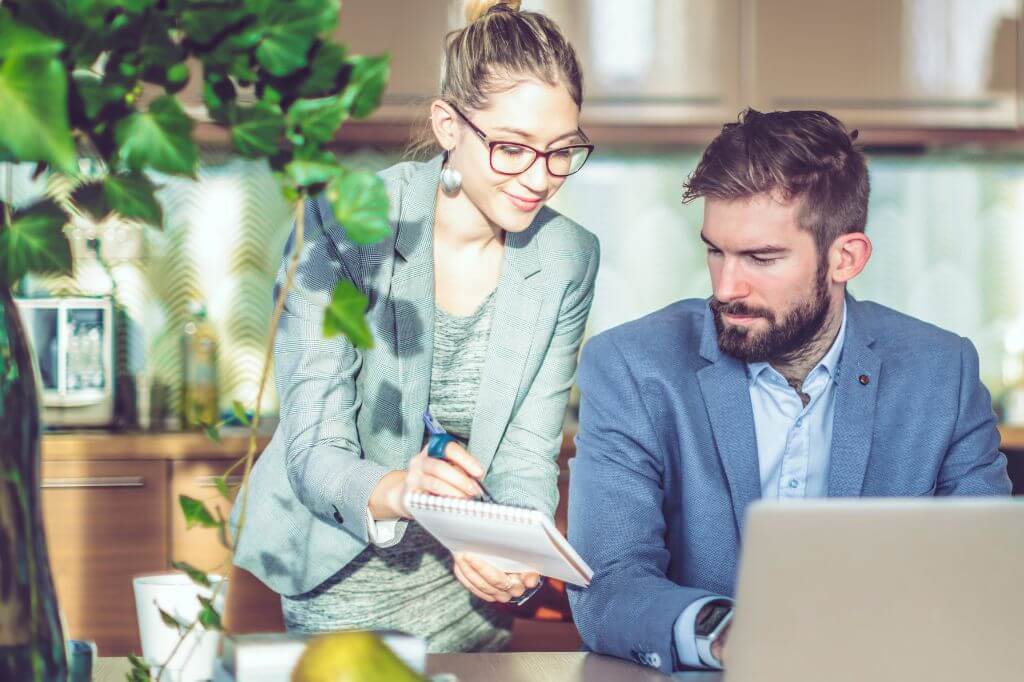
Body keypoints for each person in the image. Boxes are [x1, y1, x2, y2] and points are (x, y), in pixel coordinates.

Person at [566, 109, 1011, 673]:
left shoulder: (941, 373)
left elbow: (987, 576)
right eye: (716, 250)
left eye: (762, 258)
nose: (727, 287)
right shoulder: (631, 367)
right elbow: (607, 584)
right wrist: (726, 632)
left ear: (845, 258)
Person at [232, 0, 599, 652]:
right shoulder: (341, 226)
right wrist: (402, 489)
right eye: (513, 148)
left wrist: (512, 556)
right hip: (336, 575)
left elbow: (526, 455)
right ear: (448, 125)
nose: (540, 178)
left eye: (561, 150)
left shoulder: (567, 256)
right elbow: (313, 447)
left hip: (469, 597)